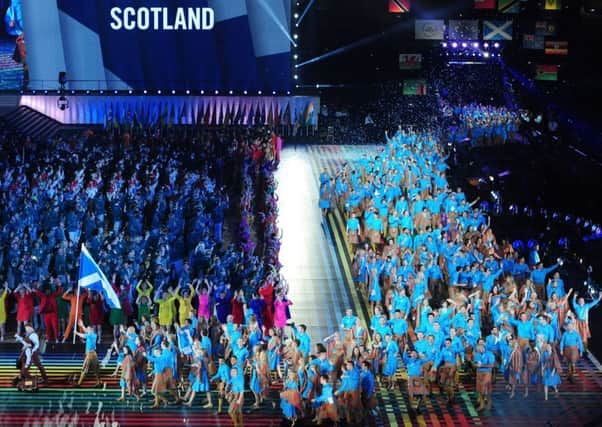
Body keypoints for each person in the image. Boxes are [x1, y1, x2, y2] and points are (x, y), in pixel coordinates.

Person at [74, 319, 100, 387]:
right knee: (95, 369)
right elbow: (86, 331)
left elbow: (83, 335)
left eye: (88, 329)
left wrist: (76, 333)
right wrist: (82, 326)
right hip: (94, 354)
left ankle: (79, 383)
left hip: (90, 355)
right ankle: (98, 382)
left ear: (91, 330)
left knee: (84, 369)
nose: (87, 330)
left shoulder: (90, 335)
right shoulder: (93, 334)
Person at [474, 342, 495, 411]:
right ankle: (482, 405)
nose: (477, 351)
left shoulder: (490, 354)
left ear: (482, 348)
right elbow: (475, 362)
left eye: (478, 349)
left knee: (485, 388)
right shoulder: (477, 354)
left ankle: (489, 403)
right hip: (479, 373)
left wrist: (482, 365)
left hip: (487, 373)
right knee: (480, 390)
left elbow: (492, 365)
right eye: (477, 350)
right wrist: (475, 364)